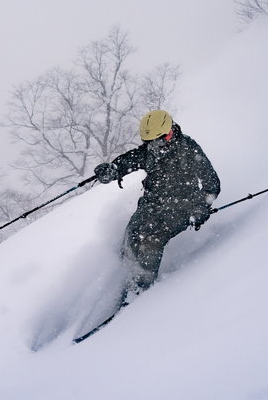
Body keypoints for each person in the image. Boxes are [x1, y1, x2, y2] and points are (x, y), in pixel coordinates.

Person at [93, 110, 221, 298]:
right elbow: (129, 160)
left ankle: (142, 291)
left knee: (151, 239)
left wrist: (201, 208)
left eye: (159, 140)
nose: (156, 147)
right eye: (150, 142)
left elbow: (212, 184)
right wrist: (112, 170)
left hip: (182, 207)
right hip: (152, 204)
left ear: (169, 133)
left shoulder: (189, 149)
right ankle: (126, 278)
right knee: (132, 232)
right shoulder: (150, 152)